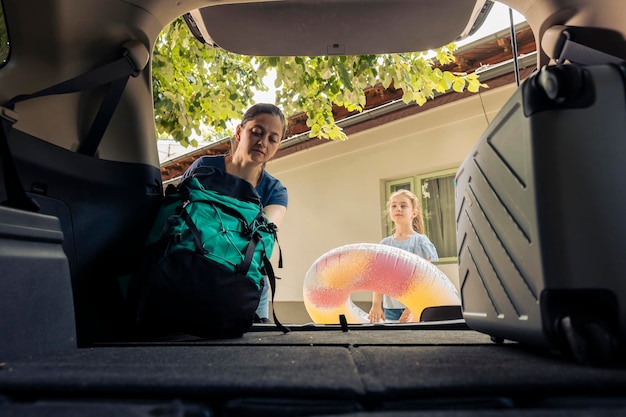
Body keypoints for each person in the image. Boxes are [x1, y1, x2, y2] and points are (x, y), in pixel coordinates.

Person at [181, 103, 289, 323]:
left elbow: (262, 238)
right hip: (190, 273)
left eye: (272, 138)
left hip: (243, 286)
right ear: (239, 132)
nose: (262, 142)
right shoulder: (203, 168)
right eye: (257, 132)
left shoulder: (275, 191)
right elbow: (177, 213)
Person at [368, 189, 438, 323]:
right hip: (391, 308)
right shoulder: (385, 244)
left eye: (403, 205)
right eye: (393, 206)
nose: (398, 209)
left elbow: (424, 279)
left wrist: (411, 308)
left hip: (416, 307)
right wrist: (376, 305)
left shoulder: (421, 242)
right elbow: (378, 276)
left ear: (414, 213)